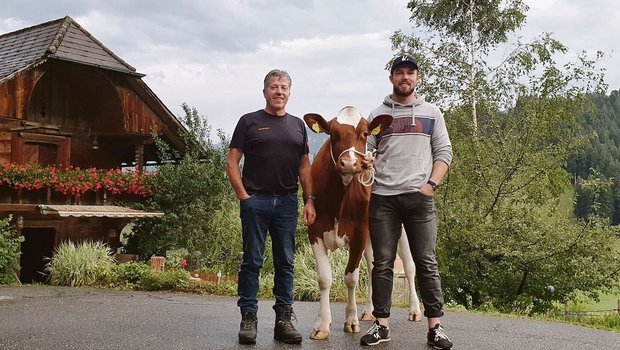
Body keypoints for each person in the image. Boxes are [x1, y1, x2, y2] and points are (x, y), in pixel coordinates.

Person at [360, 56, 453, 349]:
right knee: (382, 263)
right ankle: (381, 325)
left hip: (419, 198)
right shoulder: (376, 115)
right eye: (399, 73)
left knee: (426, 262)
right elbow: (367, 150)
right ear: (391, 78)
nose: (405, 77)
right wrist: (367, 161)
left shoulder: (431, 112)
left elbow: (444, 152)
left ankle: (435, 328)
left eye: (410, 73)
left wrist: (431, 186)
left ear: (418, 78)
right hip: (383, 198)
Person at [226, 69, 316, 345]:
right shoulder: (248, 122)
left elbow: (304, 167)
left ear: (290, 92)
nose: (279, 91)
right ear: (265, 91)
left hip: (288, 201)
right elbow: (232, 161)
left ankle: (284, 320)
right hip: (257, 200)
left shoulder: (298, 125)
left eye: (284, 87)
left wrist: (310, 199)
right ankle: (249, 319)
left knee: (285, 262)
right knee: (252, 260)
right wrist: (244, 195)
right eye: (274, 87)